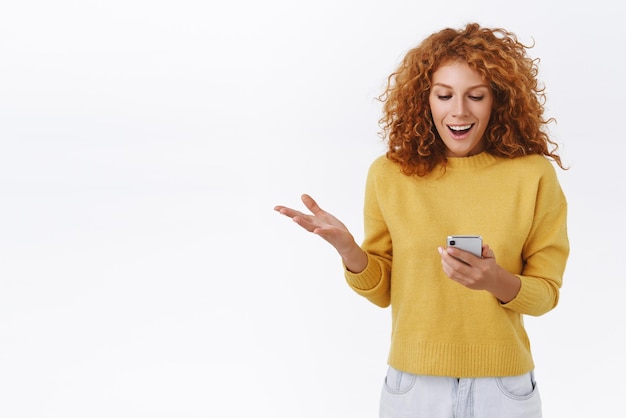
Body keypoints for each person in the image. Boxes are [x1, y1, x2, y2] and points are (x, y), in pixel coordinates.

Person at [274, 22, 569, 418]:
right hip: (413, 387)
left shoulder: (533, 175)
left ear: (498, 100)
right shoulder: (389, 174)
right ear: (424, 99)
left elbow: (546, 293)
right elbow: (381, 291)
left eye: (476, 96)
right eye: (444, 95)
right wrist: (349, 250)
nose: (459, 111)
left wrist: (494, 280)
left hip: (503, 388)